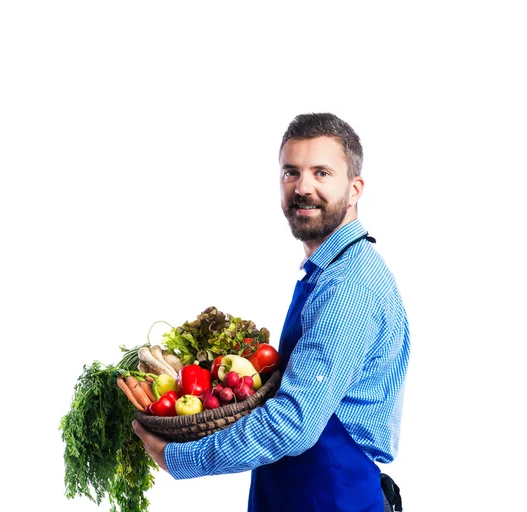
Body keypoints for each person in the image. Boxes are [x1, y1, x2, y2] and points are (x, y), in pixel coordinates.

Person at [133, 112, 410, 512]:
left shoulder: (349, 286)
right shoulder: (329, 271)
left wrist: (180, 459)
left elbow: (294, 423)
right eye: (291, 172)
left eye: (322, 173)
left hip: (331, 499)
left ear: (355, 189)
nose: (303, 188)